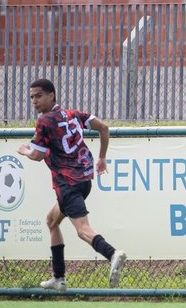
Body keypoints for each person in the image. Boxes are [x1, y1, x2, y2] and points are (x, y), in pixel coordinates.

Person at [18, 78, 126, 292]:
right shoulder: (72, 114)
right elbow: (103, 128)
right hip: (84, 181)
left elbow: (38, 156)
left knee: (82, 230)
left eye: (39, 96)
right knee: (51, 220)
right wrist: (102, 158)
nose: (34, 101)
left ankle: (112, 253)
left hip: (67, 183)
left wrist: (25, 151)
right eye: (31, 97)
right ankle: (59, 278)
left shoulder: (44, 121)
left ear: (52, 95)